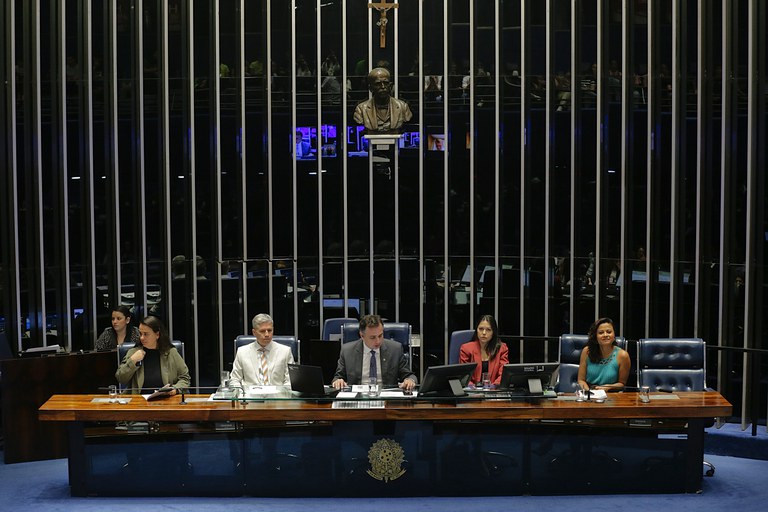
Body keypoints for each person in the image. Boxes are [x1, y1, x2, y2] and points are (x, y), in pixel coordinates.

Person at [331, 314, 417, 391]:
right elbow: (338, 377)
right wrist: (338, 381)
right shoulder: (347, 351)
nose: (378, 341)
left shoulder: (395, 349)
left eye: (380, 335)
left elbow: (409, 375)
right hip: (358, 398)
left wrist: (409, 380)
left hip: (386, 399)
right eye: (372, 337)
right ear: (362, 336)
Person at [115, 316, 190, 394]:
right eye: (140, 334)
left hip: (166, 400)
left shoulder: (171, 353)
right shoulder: (133, 352)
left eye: (146, 334)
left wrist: (175, 389)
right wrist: (132, 361)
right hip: (139, 401)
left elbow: (185, 378)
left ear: (157, 335)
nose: (142, 338)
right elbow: (120, 378)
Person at [230, 313, 294, 388]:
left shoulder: (285, 351)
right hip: (250, 397)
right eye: (262, 331)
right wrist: (242, 395)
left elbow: (290, 381)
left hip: (277, 397)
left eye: (269, 330)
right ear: (254, 332)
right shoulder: (242, 352)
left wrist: (281, 394)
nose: (267, 334)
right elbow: (234, 379)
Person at [577, 317, 630, 391]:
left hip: (611, 396)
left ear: (614, 334)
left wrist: (608, 387)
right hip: (589, 393)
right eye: (601, 332)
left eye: (609, 332)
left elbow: (622, 384)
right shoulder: (587, 351)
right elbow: (581, 380)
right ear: (595, 336)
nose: (605, 335)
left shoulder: (623, 355)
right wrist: (588, 392)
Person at [353, 67, 413, 133]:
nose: (383, 87)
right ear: (371, 88)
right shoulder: (361, 109)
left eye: (386, 83)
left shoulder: (403, 107)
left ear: (390, 86)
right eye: (378, 84)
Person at [459, 315, 509, 387]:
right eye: (481, 329)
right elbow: (465, 376)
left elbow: (503, 374)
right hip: (472, 392)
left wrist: (493, 388)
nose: (484, 333)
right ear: (477, 330)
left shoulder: (502, 349)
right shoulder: (466, 349)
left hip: (494, 391)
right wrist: (475, 390)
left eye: (488, 330)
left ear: (493, 332)